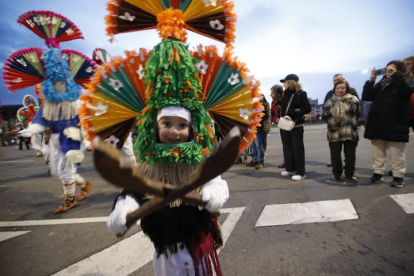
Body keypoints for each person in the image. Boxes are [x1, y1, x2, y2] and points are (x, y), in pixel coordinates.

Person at [362, 60, 413, 188]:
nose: (389, 70)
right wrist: (371, 80)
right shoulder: (381, 84)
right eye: (387, 68)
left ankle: (398, 176)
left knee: (397, 153)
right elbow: (367, 96)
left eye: (393, 68)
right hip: (377, 122)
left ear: (400, 70)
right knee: (378, 151)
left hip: (396, 123)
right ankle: (378, 172)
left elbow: (407, 92)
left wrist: (396, 76)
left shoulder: (404, 81)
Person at [323, 80, 360, 182]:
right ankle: (336, 174)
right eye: (338, 88)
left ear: (347, 89)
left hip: (349, 131)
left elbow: (358, 113)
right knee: (335, 155)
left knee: (350, 156)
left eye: (342, 88)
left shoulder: (353, 100)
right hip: (334, 132)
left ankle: (350, 174)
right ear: (334, 89)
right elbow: (325, 116)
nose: (340, 90)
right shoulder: (330, 102)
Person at [279, 74, 311, 181]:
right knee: (287, 147)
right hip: (285, 125)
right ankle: (290, 169)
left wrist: (295, 111)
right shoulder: (285, 95)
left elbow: (307, 107)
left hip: (296, 125)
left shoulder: (301, 94)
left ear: (292, 82)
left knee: (297, 149)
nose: (284, 84)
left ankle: (301, 172)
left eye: (285, 82)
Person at [270, 85, 286, 168]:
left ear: (279, 94)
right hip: (281, 125)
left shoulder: (285, 100)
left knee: (290, 144)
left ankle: (292, 162)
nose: (271, 95)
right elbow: (273, 114)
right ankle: (286, 161)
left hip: (288, 124)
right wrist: (276, 119)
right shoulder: (273, 102)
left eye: (273, 93)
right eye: (271, 94)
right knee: (285, 144)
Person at [403, 55, 414, 131]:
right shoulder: (403, 77)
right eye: (405, 65)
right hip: (408, 112)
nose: (406, 67)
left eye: (408, 64)